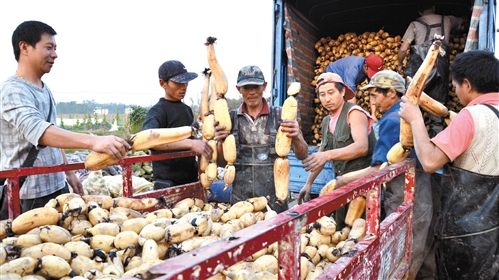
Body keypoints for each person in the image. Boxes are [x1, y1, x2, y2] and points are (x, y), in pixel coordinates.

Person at [0, 20, 131, 213]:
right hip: (28, 193)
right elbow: (40, 131)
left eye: (55, 48)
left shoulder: (44, 89)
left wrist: (69, 174)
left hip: (57, 185)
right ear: (25, 47)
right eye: (49, 47)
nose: (55, 54)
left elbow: (53, 135)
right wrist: (94, 141)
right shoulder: (12, 91)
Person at [399, 50, 499, 280]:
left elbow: (430, 161)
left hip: (466, 238)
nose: (455, 91)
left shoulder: (471, 116)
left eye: (455, 85)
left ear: (467, 84)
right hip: (493, 233)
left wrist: (415, 119)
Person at [335, 70, 433, 280]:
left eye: (374, 95)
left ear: (391, 93)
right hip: (422, 191)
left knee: (402, 251)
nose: (372, 101)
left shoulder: (392, 120)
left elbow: (378, 171)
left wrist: (344, 180)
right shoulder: (407, 112)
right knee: (419, 246)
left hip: (406, 193)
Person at [214, 65, 308, 213]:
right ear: (238, 89)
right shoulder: (230, 119)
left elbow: (302, 154)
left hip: (274, 201)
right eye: (246, 87)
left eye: (256, 86)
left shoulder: (280, 115)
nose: (252, 92)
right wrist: (220, 142)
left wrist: (296, 136)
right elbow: (221, 163)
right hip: (241, 204)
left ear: (264, 86)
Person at [297, 72, 376, 229]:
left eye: (331, 93)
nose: (327, 99)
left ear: (342, 92)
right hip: (341, 185)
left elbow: (362, 147)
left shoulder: (354, 113)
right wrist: (308, 183)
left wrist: (327, 155)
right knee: (339, 229)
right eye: (322, 94)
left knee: (358, 230)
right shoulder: (326, 121)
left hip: (361, 186)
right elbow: (320, 155)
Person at [397, 2, 465, 137]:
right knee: (437, 110)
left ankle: (412, 145)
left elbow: (404, 48)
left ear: (420, 12)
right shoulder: (447, 20)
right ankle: (436, 145)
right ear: (433, 8)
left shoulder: (415, 24)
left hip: (419, 72)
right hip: (441, 69)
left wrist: (399, 64)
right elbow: (463, 22)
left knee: (411, 105)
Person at [142, 60, 213, 190]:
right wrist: (190, 144)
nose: (184, 86)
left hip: (190, 178)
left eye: (186, 82)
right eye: (178, 82)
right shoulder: (158, 111)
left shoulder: (186, 110)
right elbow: (148, 140)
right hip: (167, 181)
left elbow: (191, 138)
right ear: (162, 83)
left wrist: (204, 140)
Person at [326, 54, 384, 119]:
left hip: (345, 79)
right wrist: (354, 117)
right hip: (332, 74)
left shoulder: (368, 68)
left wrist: (373, 114)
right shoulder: (353, 69)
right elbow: (350, 94)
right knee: (338, 100)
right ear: (365, 66)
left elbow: (373, 92)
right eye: (372, 73)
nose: (373, 76)